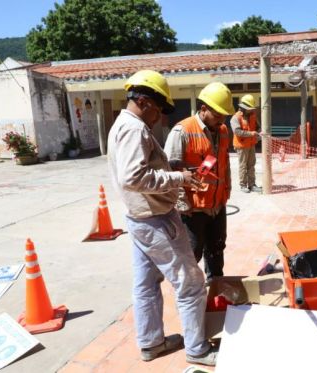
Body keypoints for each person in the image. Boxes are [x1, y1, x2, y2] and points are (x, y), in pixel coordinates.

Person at [107, 70, 218, 366]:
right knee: (191, 283)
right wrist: (177, 178)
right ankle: (198, 349)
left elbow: (139, 171)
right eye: (159, 109)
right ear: (144, 101)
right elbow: (134, 177)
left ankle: (151, 343)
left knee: (145, 284)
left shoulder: (120, 124)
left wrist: (176, 172)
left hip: (138, 218)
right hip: (156, 219)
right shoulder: (135, 129)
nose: (160, 117)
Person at [164, 82, 234, 282]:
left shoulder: (222, 131)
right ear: (203, 109)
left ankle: (216, 287)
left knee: (217, 248)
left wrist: (226, 190)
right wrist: (180, 201)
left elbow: (224, 163)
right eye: (218, 114)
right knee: (192, 254)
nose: (222, 119)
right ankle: (190, 295)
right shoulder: (182, 131)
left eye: (224, 115)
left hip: (217, 205)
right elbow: (169, 169)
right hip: (192, 209)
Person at [230, 94, 261, 193]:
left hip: (251, 144)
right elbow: (237, 132)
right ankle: (243, 185)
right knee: (243, 166)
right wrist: (251, 133)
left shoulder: (252, 115)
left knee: (251, 165)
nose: (251, 110)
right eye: (249, 108)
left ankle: (252, 185)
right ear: (243, 107)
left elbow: (257, 127)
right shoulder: (235, 118)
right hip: (241, 146)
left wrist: (260, 132)